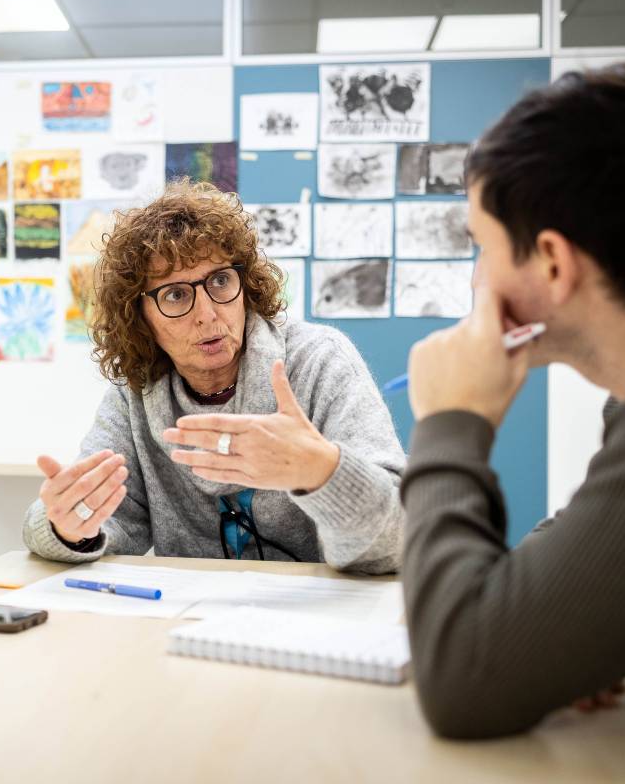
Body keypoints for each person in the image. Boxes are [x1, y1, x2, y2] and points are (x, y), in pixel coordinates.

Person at [401, 64, 625, 737]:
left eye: (482, 248)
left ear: (553, 262)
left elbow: (464, 679)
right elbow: (605, 535)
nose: (477, 279)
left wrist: (449, 424)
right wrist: (554, 615)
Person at [22, 180, 404, 571]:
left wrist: (323, 470)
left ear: (246, 285)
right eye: (175, 295)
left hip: (321, 617)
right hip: (191, 622)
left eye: (220, 281)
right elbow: (100, 523)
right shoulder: (136, 391)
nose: (206, 313)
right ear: (139, 318)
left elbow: (399, 534)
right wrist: (66, 525)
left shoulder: (319, 363)